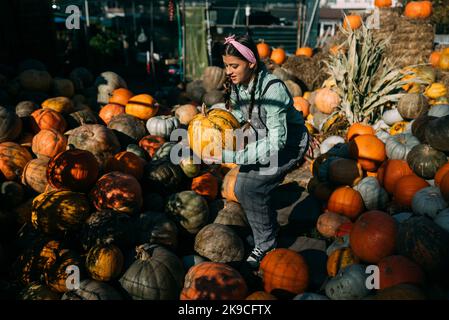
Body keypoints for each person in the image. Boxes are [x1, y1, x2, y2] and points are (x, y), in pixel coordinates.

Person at [204, 34, 309, 268]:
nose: (229, 71)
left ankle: (266, 243)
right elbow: (241, 115)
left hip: (289, 143)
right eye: (226, 66)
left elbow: (276, 142)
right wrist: (214, 122)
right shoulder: (239, 85)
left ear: (251, 63)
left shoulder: (273, 90)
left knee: (251, 187)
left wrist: (232, 156)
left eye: (234, 66)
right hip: (265, 137)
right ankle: (267, 230)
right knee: (242, 186)